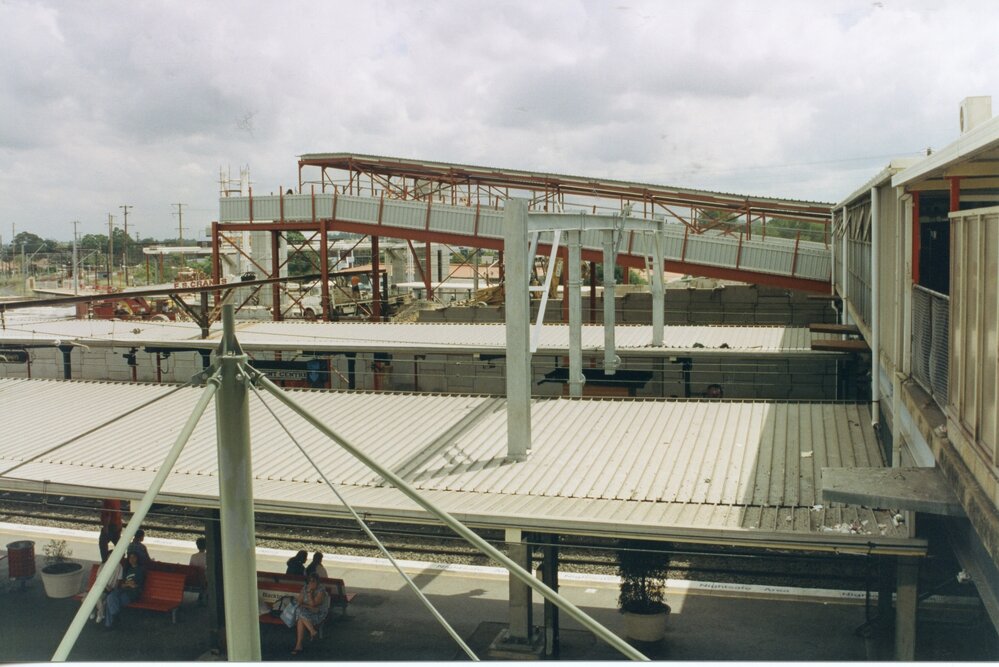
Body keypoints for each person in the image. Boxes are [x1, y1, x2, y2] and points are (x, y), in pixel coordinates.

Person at [291, 572, 329, 655]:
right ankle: (312, 632)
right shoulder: (305, 588)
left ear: (318, 582)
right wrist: (307, 605)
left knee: (300, 614)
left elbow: (313, 604)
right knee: (300, 615)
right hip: (306, 612)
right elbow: (299, 602)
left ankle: (299, 645)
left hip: (318, 614)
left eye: (313, 581)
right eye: (310, 581)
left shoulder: (321, 590)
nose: (311, 583)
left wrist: (309, 594)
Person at [104, 551, 145, 629]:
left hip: (132, 593)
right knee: (111, 596)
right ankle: (116, 618)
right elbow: (122, 584)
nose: (132, 559)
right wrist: (128, 584)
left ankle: (109, 625)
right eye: (130, 557)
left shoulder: (140, 570)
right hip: (122, 589)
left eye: (134, 557)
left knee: (110, 601)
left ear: (137, 559)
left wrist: (128, 584)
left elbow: (136, 585)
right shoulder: (127, 569)